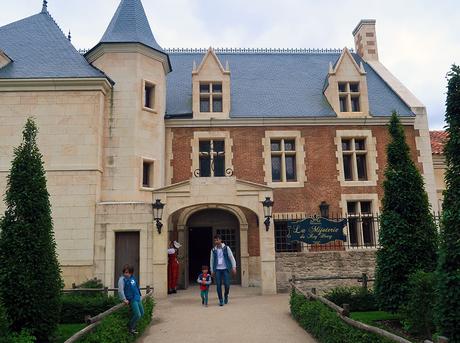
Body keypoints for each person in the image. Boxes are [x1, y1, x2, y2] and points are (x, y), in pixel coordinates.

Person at [210, 234, 237, 306]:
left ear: (220, 240)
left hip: (225, 269)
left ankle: (226, 295)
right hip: (217, 269)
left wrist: (234, 267)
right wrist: (212, 270)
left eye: (217, 240)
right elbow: (211, 260)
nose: (216, 241)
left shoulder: (226, 248)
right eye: (215, 240)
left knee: (227, 285)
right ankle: (221, 300)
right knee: (218, 285)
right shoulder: (213, 250)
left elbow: (231, 257)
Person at [118, 264, 144, 335]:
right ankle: (130, 327)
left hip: (137, 297)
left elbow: (136, 287)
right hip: (132, 299)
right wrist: (124, 299)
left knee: (142, 313)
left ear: (131, 273)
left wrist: (140, 295)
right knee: (138, 315)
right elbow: (121, 290)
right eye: (125, 272)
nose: (126, 274)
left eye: (128, 272)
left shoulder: (133, 278)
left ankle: (133, 326)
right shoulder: (122, 279)